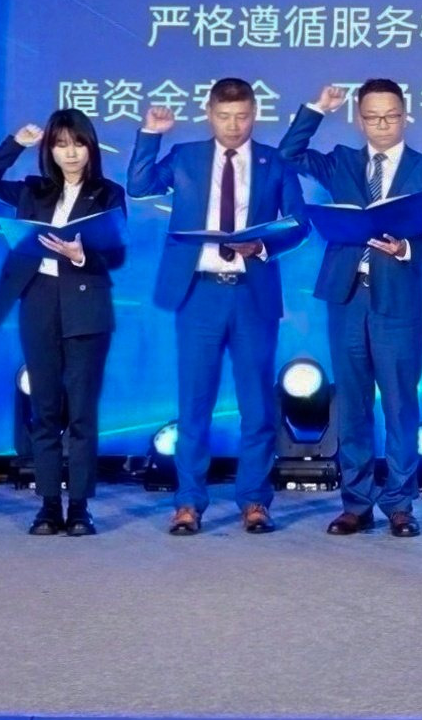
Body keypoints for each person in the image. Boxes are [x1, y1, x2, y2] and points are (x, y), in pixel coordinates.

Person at [126, 76, 307, 534]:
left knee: (257, 406)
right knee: (195, 402)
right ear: (209, 114)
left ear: (255, 114)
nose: (233, 125)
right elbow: (140, 185)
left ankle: (254, 501)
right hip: (199, 291)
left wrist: (261, 247)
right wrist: (151, 134)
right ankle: (188, 502)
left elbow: (299, 223)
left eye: (242, 116)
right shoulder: (185, 156)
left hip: (252, 293)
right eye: (224, 117)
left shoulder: (274, 161)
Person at [286, 77, 422, 537]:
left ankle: (400, 503)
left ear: (405, 116)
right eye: (373, 117)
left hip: (397, 302)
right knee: (353, 405)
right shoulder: (341, 162)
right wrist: (316, 108)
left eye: (391, 116)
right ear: (359, 120)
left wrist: (406, 249)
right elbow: (289, 155)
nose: (383, 125)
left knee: (399, 405)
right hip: (347, 297)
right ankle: (356, 503)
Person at [0, 107, 128, 537]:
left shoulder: (108, 193)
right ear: (49, 150)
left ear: (91, 147)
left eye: (78, 143)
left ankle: (79, 506)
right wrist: (15, 144)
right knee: (44, 409)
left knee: (81, 410)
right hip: (39, 300)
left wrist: (81, 255)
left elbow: (117, 253)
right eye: (61, 145)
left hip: (86, 303)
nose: (71, 153)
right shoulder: (34, 190)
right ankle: (47, 505)